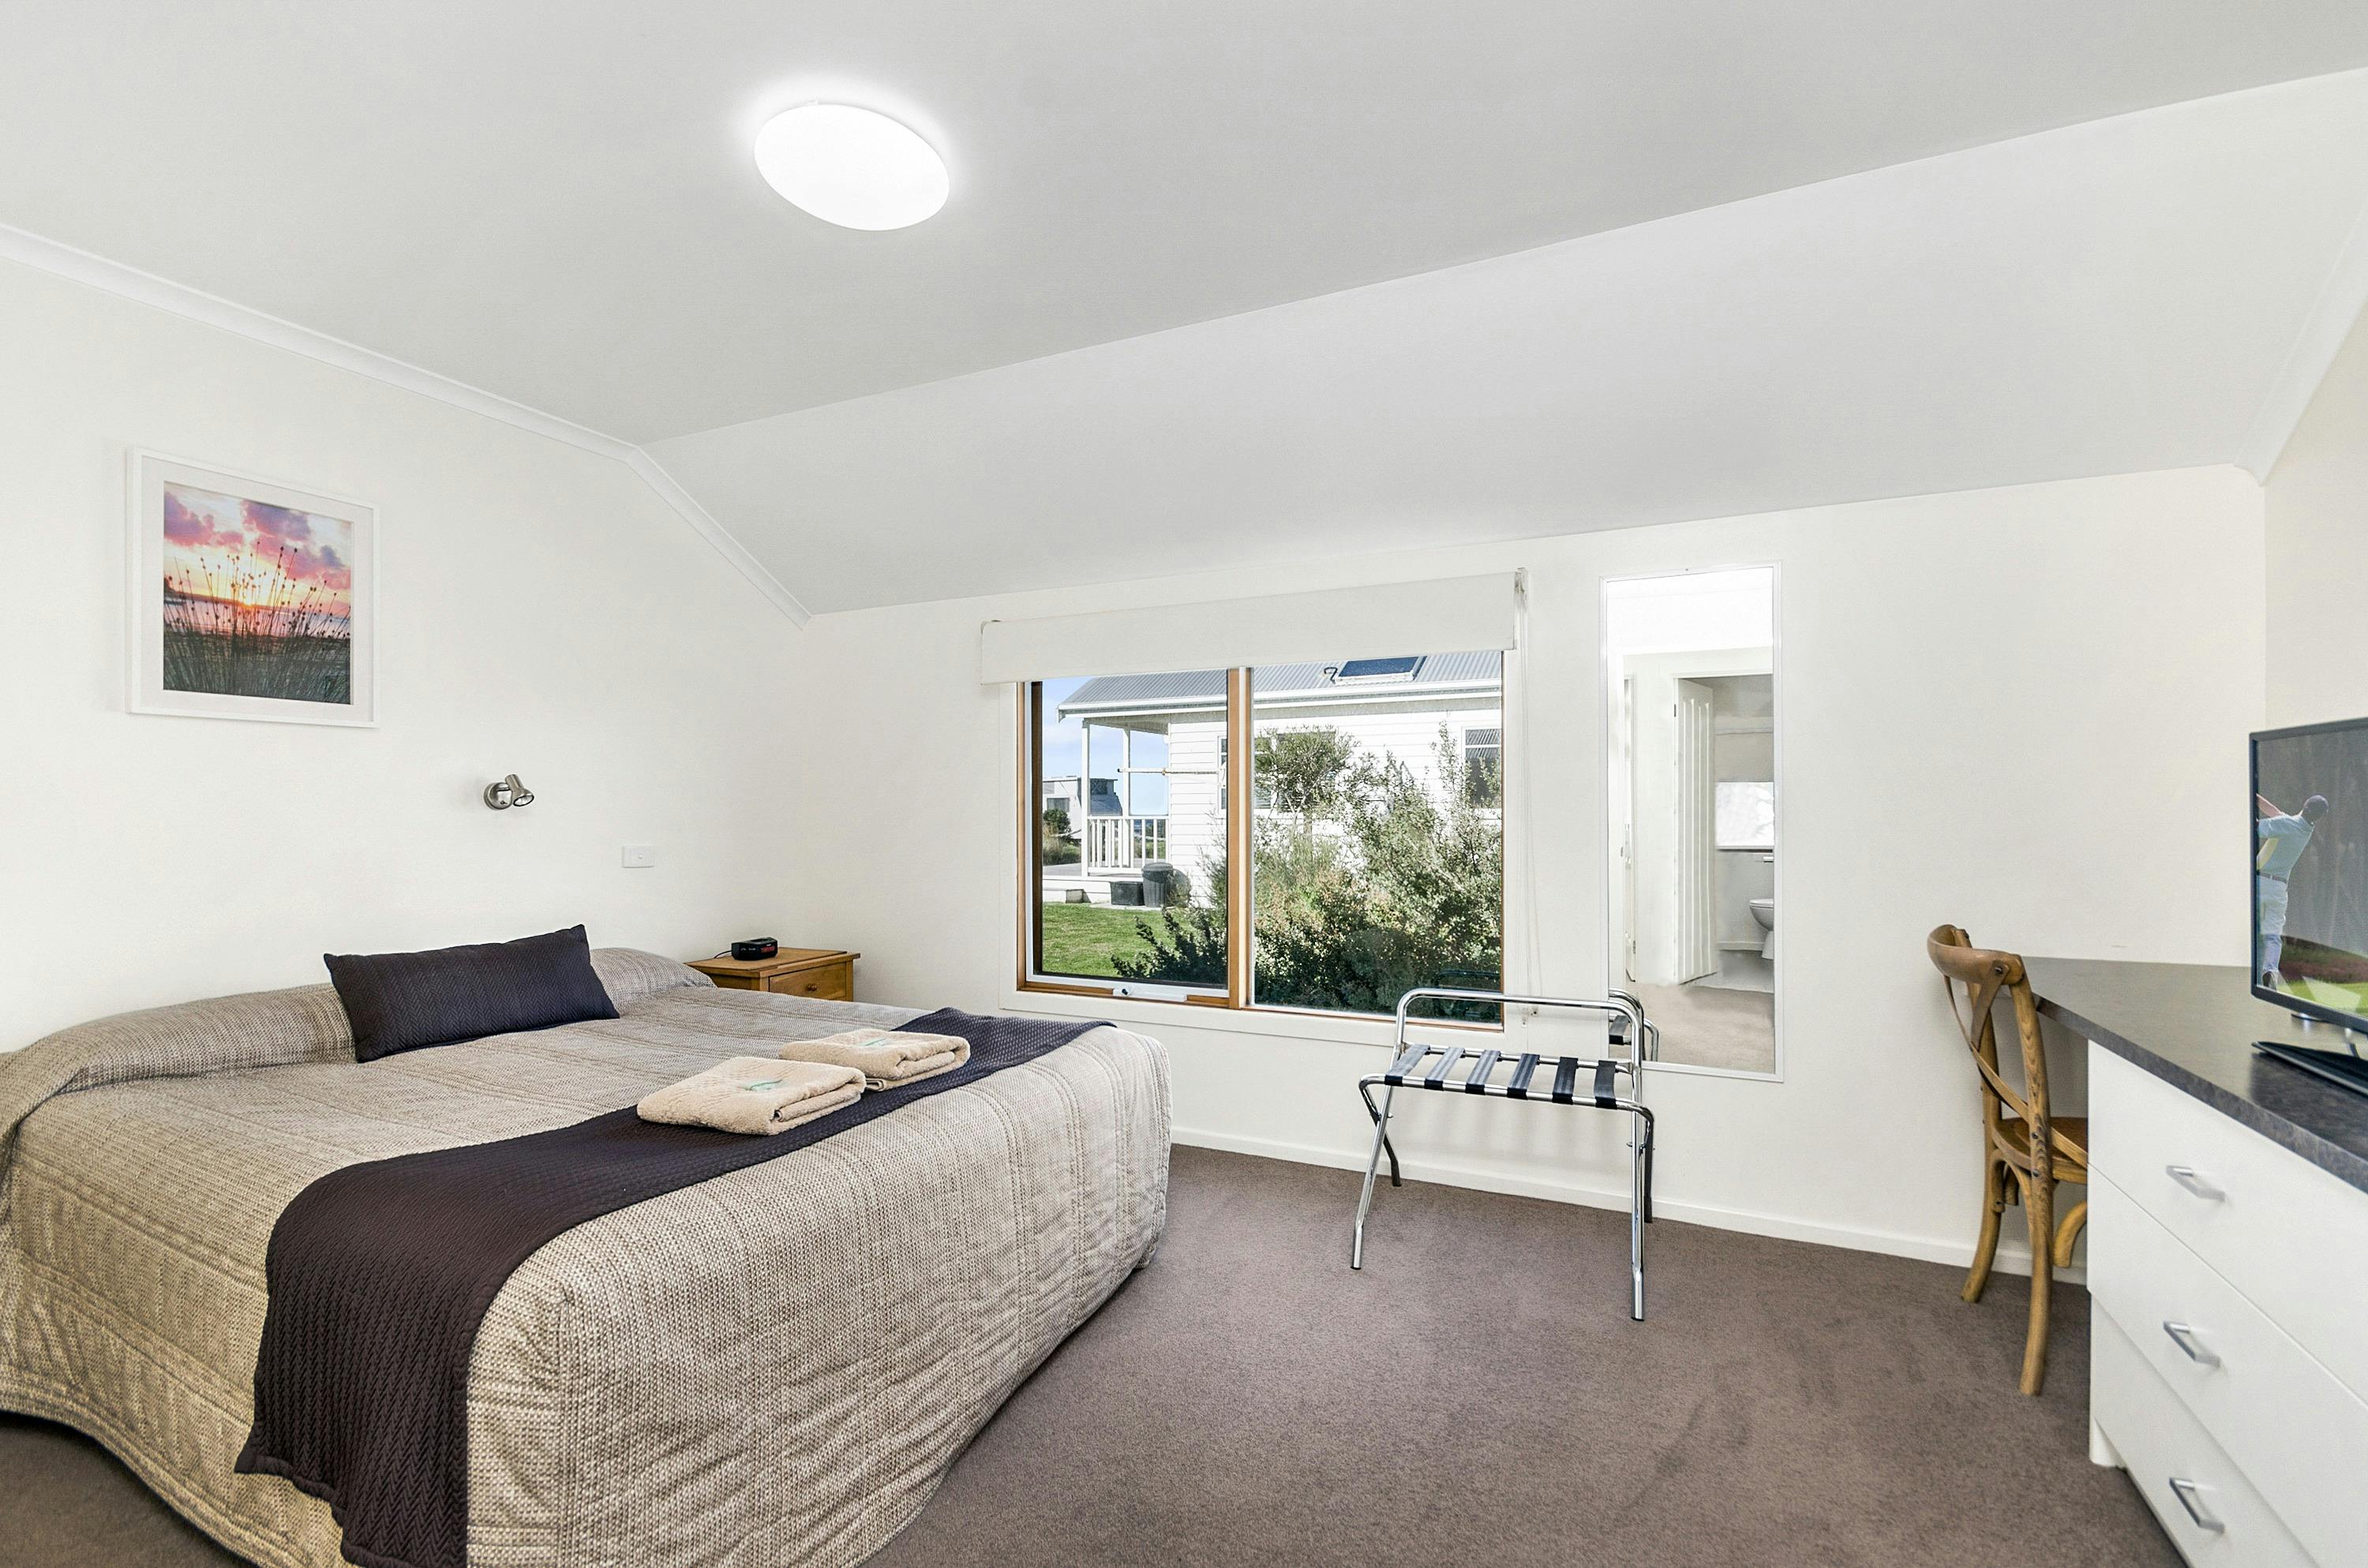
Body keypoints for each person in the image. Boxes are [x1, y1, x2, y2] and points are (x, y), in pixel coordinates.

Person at [2257, 792, 2330, 983]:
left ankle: (2255, 973)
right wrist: (2253, 797)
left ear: (2304, 804)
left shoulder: (2287, 824)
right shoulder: (2305, 829)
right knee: (2273, 935)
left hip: (2260, 883)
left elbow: (2257, 828)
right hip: (2279, 889)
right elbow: (2277, 814)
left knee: (2254, 931)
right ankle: (2270, 970)